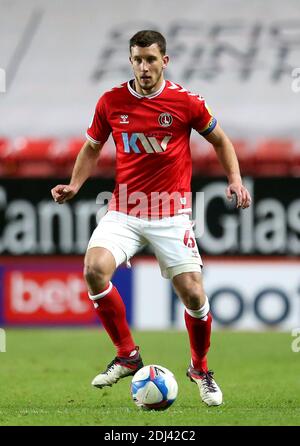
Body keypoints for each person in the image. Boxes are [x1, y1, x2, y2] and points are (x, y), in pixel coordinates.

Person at [51, 30, 251, 406]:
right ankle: (127, 354)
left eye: (151, 59)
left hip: (171, 213)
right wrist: (76, 184)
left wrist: (235, 180)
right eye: (138, 59)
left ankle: (200, 368)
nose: (144, 67)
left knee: (193, 293)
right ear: (131, 61)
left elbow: (220, 140)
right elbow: (92, 147)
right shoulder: (111, 101)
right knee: (94, 269)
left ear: (165, 61)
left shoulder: (186, 102)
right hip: (124, 209)